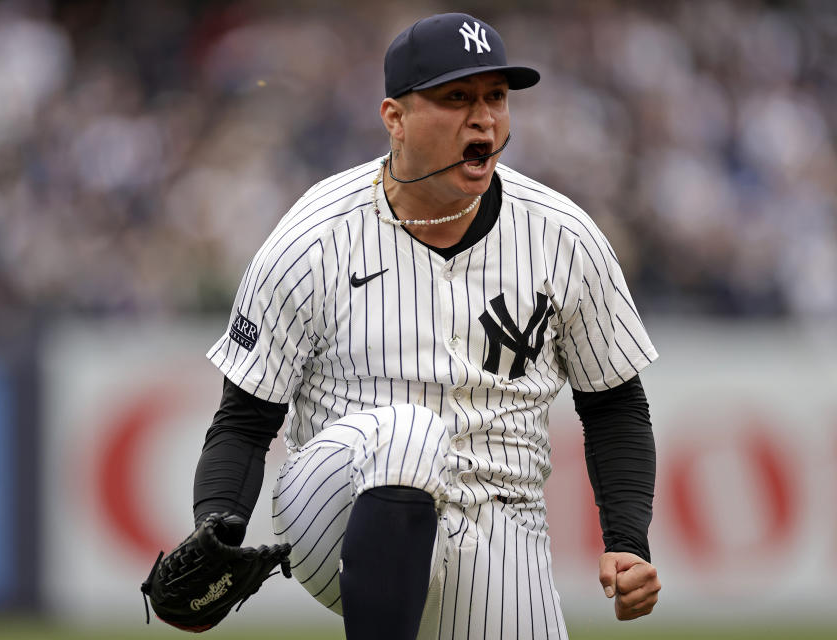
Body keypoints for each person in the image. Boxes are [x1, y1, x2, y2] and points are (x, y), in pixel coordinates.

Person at [192, 12, 660, 639]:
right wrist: (216, 525)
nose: (483, 117)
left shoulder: (562, 236)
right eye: (455, 98)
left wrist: (628, 540)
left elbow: (615, 405)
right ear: (395, 118)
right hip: (336, 501)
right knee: (411, 433)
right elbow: (245, 420)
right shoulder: (316, 236)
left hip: (497, 517)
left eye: (496, 96)